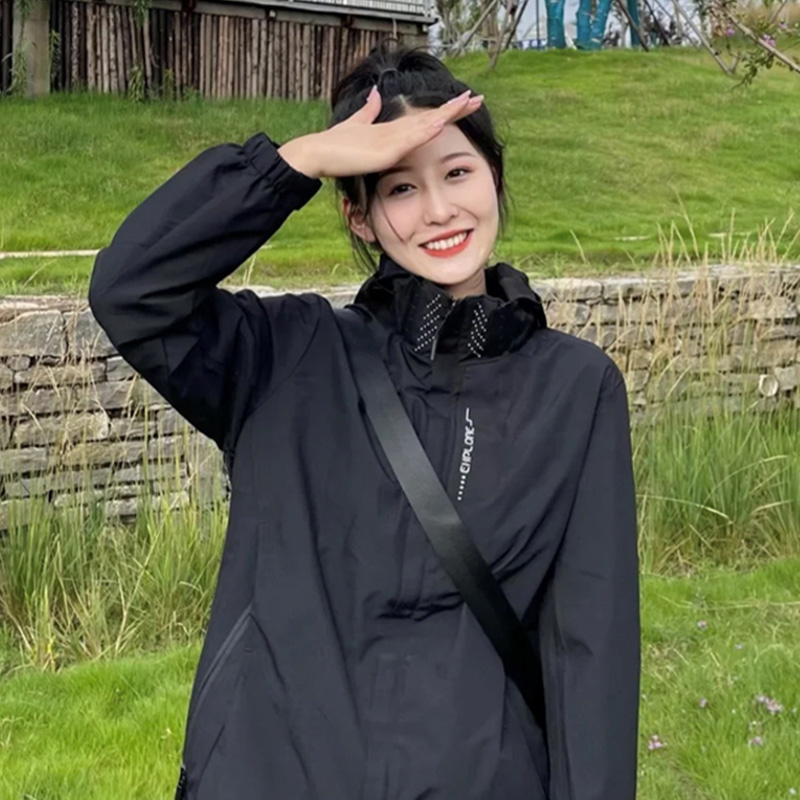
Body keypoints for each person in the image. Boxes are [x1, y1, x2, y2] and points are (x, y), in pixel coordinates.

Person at [88, 36, 640, 800]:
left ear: (495, 177)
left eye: (457, 172)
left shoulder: (575, 388)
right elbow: (132, 293)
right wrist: (296, 161)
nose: (440, 210)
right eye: (400, 188)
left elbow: (591, 653)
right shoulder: (283, 359)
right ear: (360, 217)